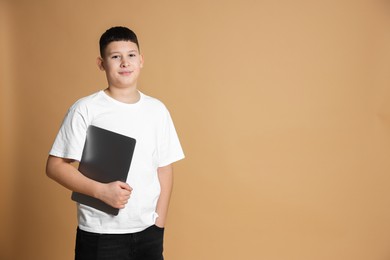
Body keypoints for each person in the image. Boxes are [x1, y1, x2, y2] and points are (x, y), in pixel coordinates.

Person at [46, 26, 185, 260]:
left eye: (131, 55)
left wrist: (158, 223)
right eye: (115, 56)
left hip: (149, 233)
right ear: (101, 64)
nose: (125, 62)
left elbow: (164, 168)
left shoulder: (157, 110)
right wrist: (101, 191)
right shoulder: (86, 109)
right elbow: (54, 166)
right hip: (100, 234)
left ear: (141, 61)